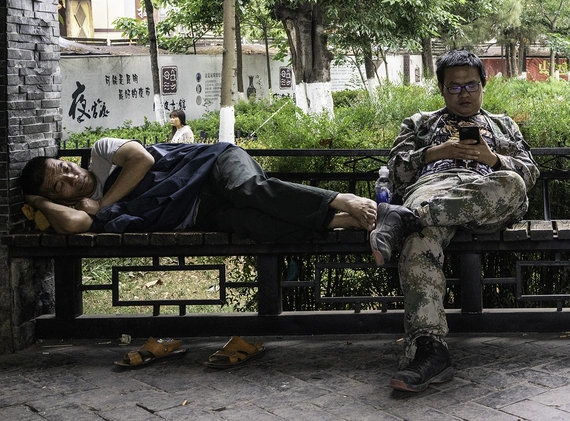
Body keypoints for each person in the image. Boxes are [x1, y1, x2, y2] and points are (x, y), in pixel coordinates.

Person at [369, 49, 539, 392]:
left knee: (512, 183)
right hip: (433, 188)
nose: (464, 94)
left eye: (471, 85)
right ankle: (429, 351)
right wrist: (437, 152)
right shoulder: (419, 124)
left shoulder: (503, 125)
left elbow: (529, 173)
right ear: (441, 89)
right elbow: (397, 170)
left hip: (486, 195)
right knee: (420, 240)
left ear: (483, 85)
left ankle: (404, 220)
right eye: (454, 87)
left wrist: (492, 159)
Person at [19, 138, 377, 240]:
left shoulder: (101, 153)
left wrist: (103, 204)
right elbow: (75, 225)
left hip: (212, 166)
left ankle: (339, 199)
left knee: (247, 189)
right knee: (251, 224)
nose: (71, 178)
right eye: (59, 186)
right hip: (197, 212)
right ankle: (339, 220)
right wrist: (36, 200)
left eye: (63, 168)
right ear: (56, 197)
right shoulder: (79, 207)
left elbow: (141, 159)